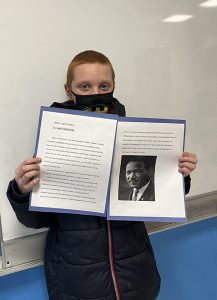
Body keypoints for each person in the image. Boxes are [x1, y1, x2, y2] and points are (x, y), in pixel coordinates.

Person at [7, 50, 198, 300]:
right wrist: (21, 191)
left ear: (113, 86)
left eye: (103, 85)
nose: (95, 93)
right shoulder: (55, 141)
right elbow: (36, 219)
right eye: (84, 86)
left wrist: (179, 175)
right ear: (69, 90)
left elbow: (155, 198)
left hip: (137, 279)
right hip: (78, 286)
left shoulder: (137, 136)